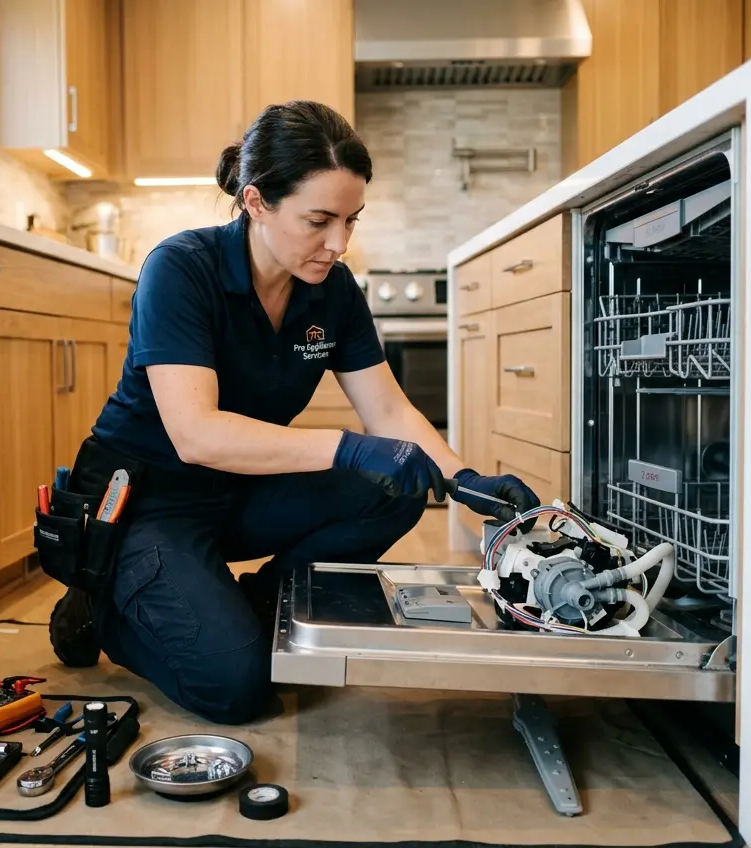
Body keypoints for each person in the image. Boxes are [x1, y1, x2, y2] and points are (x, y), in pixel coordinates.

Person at [49, 100, 540, 725]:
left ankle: (250, 606)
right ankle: (104, 604)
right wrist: (346, 446)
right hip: (147, 502)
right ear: (257, 203)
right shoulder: (181, 269)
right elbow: (196, 434)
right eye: (319, 220)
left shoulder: (331, 290)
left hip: (241, 489)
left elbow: (386, 407)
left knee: (394, 487)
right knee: (237, 688)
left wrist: (462, 478)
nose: (338, 244)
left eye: (351, 221)